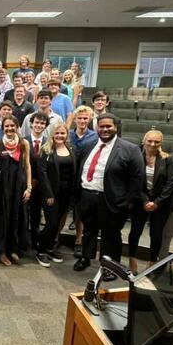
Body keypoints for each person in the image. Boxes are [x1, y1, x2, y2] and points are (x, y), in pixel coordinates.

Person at [73, 113, 145, 278]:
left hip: (112, 200)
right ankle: (86, 258)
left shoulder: (130, 149)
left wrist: (128, 203)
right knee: (89, 230)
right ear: (97, 128)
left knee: (110, 234)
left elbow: (137, 179)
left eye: (108, 126)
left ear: (116, 128)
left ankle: (110, 267)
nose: (104, 129)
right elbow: (80, 170)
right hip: (87, 196)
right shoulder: (88, 145)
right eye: (101, 126)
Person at [127, 130, 173, 273]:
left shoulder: (168, 160)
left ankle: (152, 261)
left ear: (161, 143)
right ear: (144, 140)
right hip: (139, 201)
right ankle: (132, 259)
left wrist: (157, 203)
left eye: (157, 142)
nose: (153, 144)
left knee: (156, 234)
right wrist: (145, 200)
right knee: (135, 231)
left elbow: (170, 183)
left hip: (161, 204)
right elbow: (134, 180)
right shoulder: (135, 157)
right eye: (150, 141)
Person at [0, 116, 31, 266]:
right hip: (2, 188)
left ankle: (13, 248)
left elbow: (27, 166)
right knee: (2, 219)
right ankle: (0, 251)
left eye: (12, 126)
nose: (9, 129)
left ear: (17, 126)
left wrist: (28, 187)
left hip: (18, 187)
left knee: (17, 217)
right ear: (2, 128)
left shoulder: (23, 143)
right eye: (6, 126)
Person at [36, 124, 75, 268]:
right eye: (57, 133)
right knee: (51, 223)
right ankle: (40, 250)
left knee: (57, 223)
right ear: (52, 134)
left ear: (66, 135)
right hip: (51, 194)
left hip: (66, 193)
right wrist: (49, 194)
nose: (60, 136)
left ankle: (50, 248)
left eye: (62, 133)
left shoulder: (71, 149)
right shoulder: (46, 150)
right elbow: (43, 174)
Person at [69, 106, 98, 256]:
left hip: (85, 177)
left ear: (89, 119)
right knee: (63, 210)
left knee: (80, 211)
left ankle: (79, 240)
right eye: (79, 118)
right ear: (75, 119)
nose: (82, 120)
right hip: (67, 177)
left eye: (85, 118)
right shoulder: (67, 135)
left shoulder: (95, 137)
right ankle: (54, 238)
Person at [24, 112, 49, 251]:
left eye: (42, 123)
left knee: (36, 215)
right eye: (37, 122)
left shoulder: (48, 142)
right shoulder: (24, 140)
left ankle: (34, 242)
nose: (39, 125)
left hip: (41, 186)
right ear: (31, 123)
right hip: (26, 184)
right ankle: (23, 242)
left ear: (45, 126)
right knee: (23, 214)